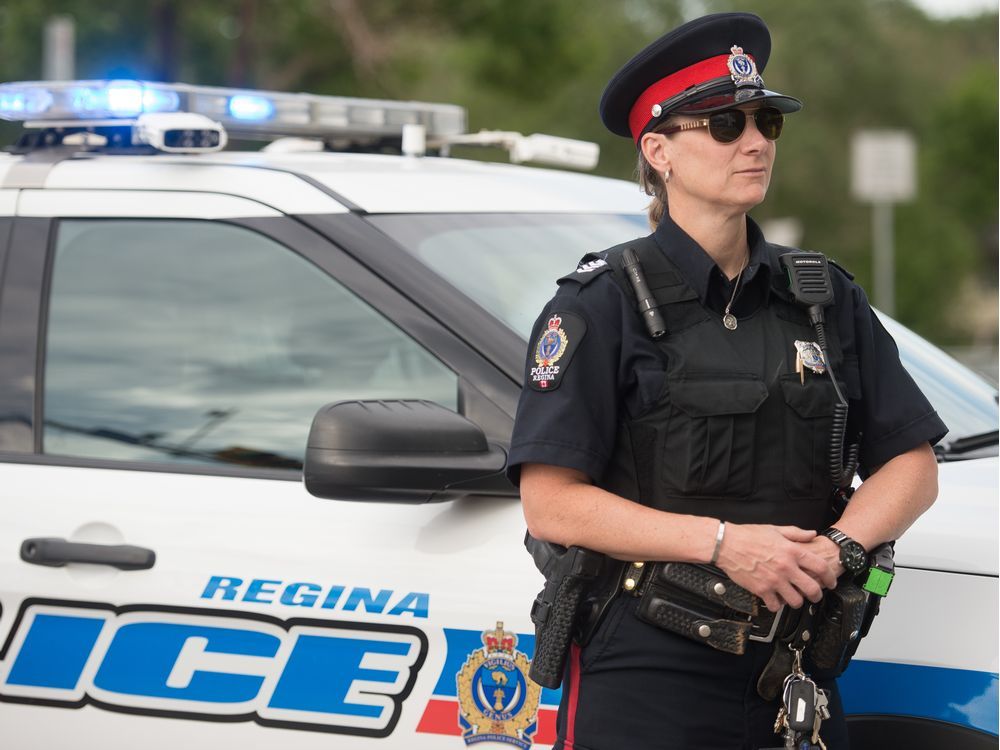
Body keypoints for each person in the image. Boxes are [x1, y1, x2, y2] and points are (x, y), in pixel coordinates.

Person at [506, 11, 946, 750]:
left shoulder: (824, 296)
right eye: (723, 124)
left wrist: (838, 549)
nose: (754, 141)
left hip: (797, 665)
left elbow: (911, 463)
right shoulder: (600, 304)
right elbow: (551, 503)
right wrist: (721, 543)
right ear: (658, 151)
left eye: (766, 122)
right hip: (649, 672)